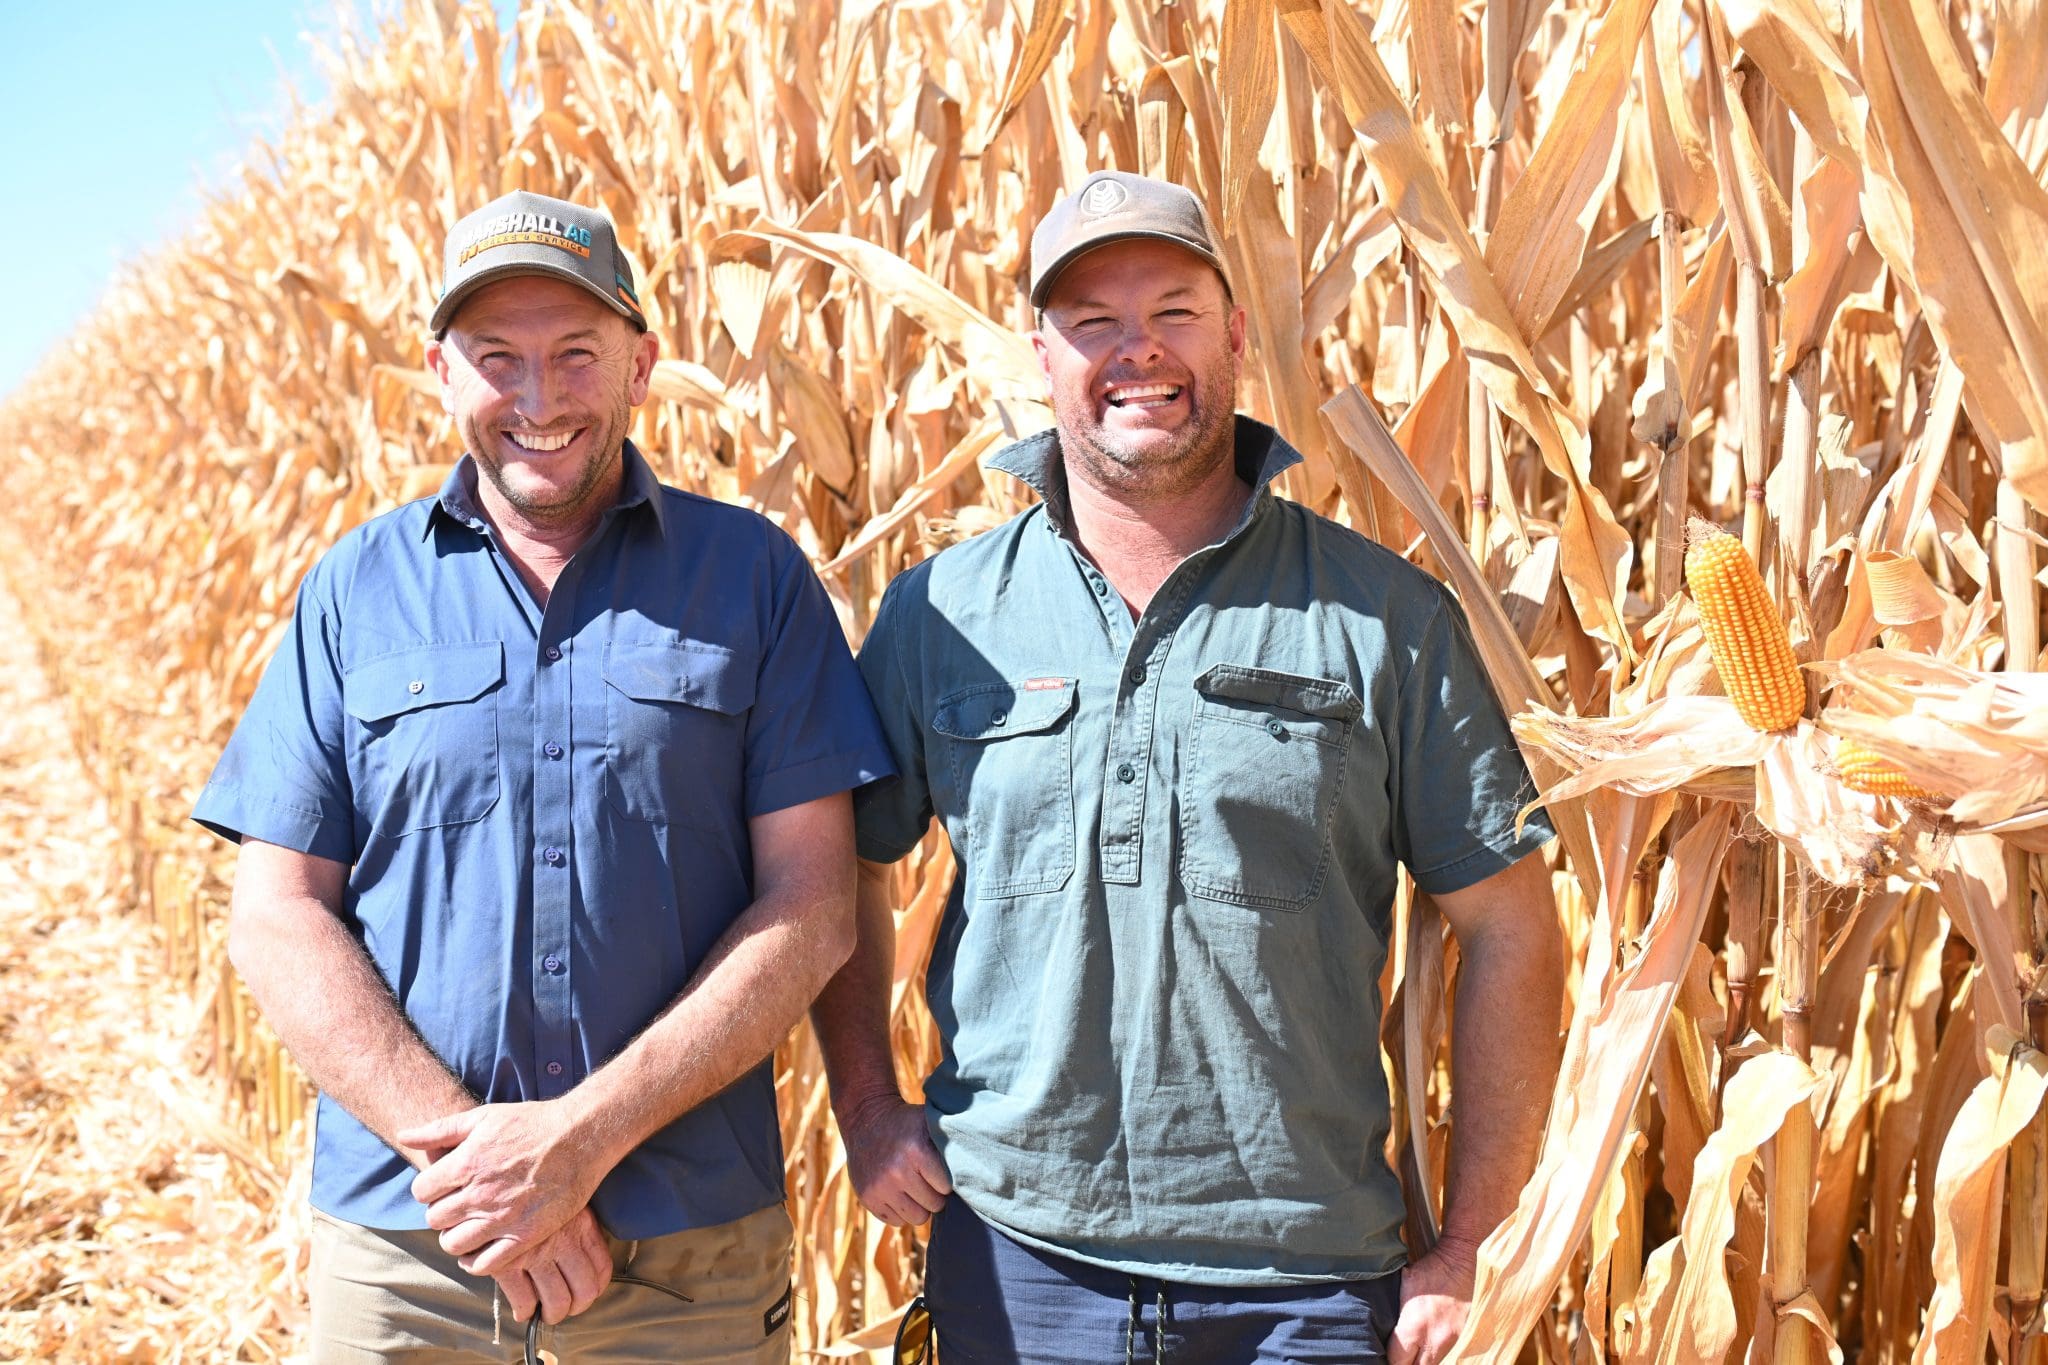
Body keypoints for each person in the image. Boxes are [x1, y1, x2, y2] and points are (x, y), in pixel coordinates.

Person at [810, 170, 1565, 1365]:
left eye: (1172, 311)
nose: (1136, 354)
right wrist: (863, 1105)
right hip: (1017, 1266)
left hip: (1304, 1285)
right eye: (1092, 324)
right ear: (1043, 355)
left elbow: (1512, 926)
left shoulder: (1380, 618)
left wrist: (1473, 1244)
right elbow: (832, 871)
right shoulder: (941, 614)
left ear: (1235, 335)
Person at [194, 189, 894, 1362]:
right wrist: (480, 1167)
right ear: (439, 369)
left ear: (642, 360)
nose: (538, 395)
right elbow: (275, 914)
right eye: (495, 357)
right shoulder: (355, 591)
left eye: (576, 352)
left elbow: (815, 908)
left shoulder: (754, 579)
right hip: (415, 1246)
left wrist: (576, 1142)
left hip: (688, 1259)